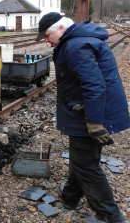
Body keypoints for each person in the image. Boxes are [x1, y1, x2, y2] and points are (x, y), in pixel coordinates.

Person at [36, 12, 130, 223]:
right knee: (81, 160)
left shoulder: (75, 46)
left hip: (87, 114)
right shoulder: (78, 41)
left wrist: (94, 123)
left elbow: (94, 86)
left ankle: (109, 215)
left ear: (61, 29)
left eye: (46, 35)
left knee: (87, 165)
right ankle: (70, 196)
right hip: (85, 110)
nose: (44, 39)